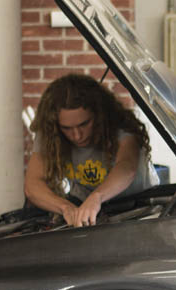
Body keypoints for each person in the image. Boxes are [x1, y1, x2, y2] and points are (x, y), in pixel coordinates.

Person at [24, 74, 157, 227]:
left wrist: (97, 197)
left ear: (99, 115)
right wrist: (65, 207)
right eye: (66, 128)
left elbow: (126, 167)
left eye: (84, 124)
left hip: (139, 208)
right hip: (86, 209)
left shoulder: (121, 127)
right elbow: (32, 185)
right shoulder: (51, 132)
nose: (77, 135)